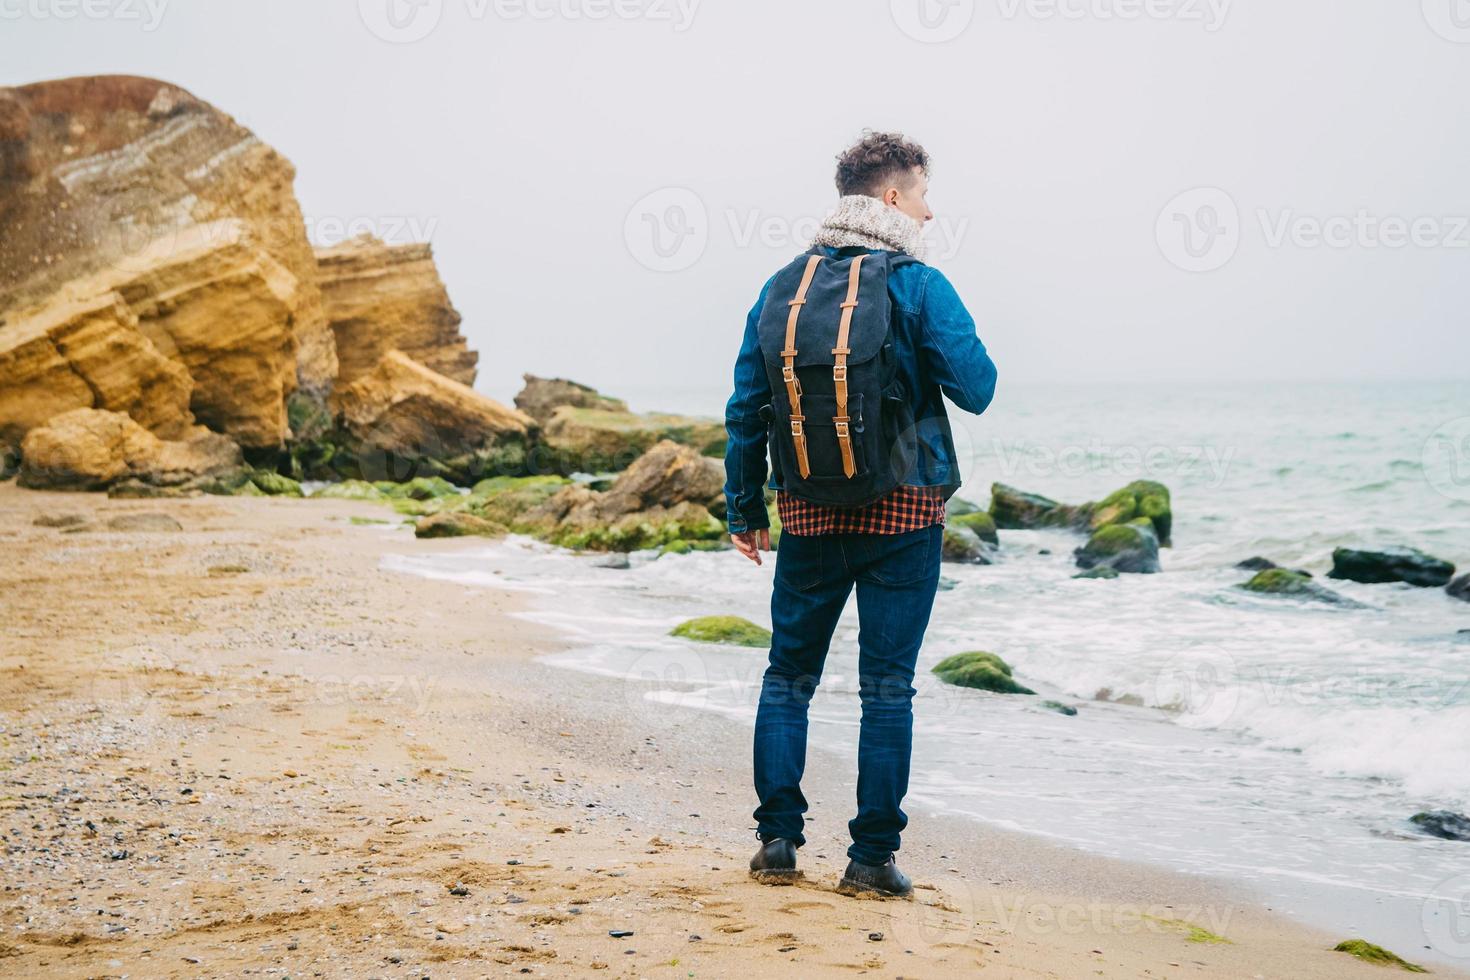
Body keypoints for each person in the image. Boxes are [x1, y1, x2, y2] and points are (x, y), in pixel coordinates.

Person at [722, 130, 998, 897]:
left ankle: (777, 843)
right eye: (920, 194)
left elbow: (747, 409)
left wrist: (745, 509)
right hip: (905, 516)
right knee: (886, 688)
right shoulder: (918, 284)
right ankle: (870, 861)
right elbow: (978, 387)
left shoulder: (782, 286)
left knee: (787, 679)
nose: (930, 212)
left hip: (807, 516)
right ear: (890, 198)